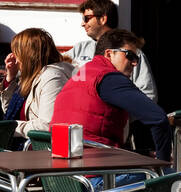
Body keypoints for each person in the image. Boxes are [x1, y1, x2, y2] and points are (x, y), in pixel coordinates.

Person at [52, 28, 171, 163]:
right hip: (97, 174)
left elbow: (93, 136)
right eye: (130, 56)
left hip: (65, 174)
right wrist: (163, 165)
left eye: (136, 58)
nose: (135, 63)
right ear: (109, 54)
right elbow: (158, 119)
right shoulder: (109, 78)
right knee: (179, 177)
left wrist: (141, 153)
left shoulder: (82, 75)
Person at [70, 0, 158, 102]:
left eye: (87, 18)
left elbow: (149, 94)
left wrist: (122, 115)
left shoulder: (132, 53)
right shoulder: (79, 48)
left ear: (102, 19)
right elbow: (59, 71)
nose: (83, 24)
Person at [0, 27, 74, 141]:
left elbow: (47, 125)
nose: (16, 60)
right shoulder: (31, 76)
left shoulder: (52, 78)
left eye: (17, 54)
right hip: (24, 143)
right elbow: (9, 111)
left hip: (37, 149)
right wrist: (11, 77)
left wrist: (10, 127)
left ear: (28, 56)